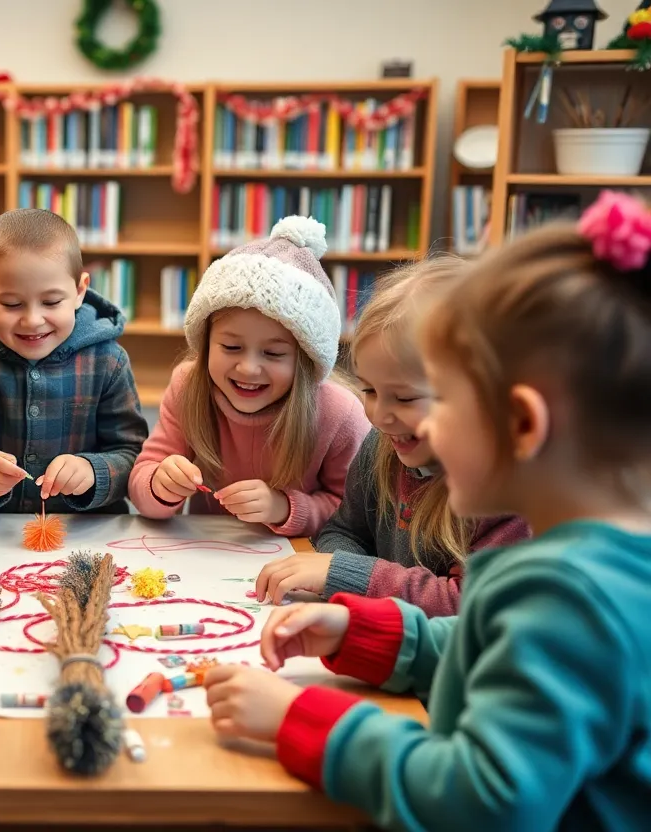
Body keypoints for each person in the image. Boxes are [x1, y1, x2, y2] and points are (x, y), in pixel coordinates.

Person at [204, 190, 651, 830]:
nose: (388, 425)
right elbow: (491, 646)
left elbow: (480, 800)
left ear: (521, 424)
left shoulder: (570, 598)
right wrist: (373, 636)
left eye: (444, 409)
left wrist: (299, 722)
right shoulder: (592, 562)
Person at [254, 258, 528, 613]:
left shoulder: (508, 491)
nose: (379, 416)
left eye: (405, 398)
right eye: (369, 391)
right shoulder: (382, 447)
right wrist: (336, 573)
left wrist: (347, 574)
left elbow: (467, 605)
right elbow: (345, 531)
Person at [128, 216, 369, 536]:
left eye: (273, 353)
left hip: (295, 566)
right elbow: (141, 482)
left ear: (305, 359)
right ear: (205, 342)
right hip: (208, 559)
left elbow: (353, 515)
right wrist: (160, 485)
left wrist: (284, 507)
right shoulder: (188, 387)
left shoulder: (339, 414)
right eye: (230, 347)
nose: (248, 368)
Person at [0, 209, 147, 514]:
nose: (33, 320)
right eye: (11, 304)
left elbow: (133, 454)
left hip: (85, 533)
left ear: (80, 290)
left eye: (51, 302)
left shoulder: (108, 361)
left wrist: (94, 472)